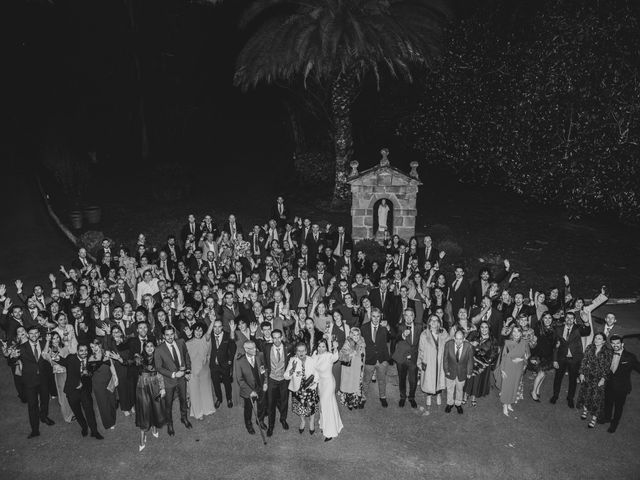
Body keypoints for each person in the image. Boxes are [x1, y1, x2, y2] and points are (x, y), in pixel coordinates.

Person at [54, 343, 104, 440]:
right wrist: (55, 357)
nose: (84, 353)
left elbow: (93, 371)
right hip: (72, 391)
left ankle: (94, 431)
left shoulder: (90, 360)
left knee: (90, 411)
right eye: (81, 350)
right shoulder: (71, 358)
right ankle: (84, 427)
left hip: (85, 390)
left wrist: (88, 373)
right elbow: (62, 361)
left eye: (85, 350)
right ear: (77, 351)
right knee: (77, 412)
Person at [154, 325, 192, 436]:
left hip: (182, 379)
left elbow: (186, 355)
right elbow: (159, 368)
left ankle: (184, 418)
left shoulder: (181, 342)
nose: (170, 337)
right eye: (167, 335)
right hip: (169, 381)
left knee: (183, 400)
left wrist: (188, 370)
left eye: (172, 334)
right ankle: (169, 424)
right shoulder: (159, 349)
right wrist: (174, 374)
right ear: (163, 336)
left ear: (174, 333)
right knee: (168, 404)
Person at [550, 311, 591, 408]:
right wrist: (555, 360)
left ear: (574, 320)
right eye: (567, 318)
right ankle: (555, 396)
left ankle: (570, 398)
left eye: (571, 318)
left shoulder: (578, 329)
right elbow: (555, 346)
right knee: (558, 378)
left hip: (575, 359)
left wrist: (586, 322)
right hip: (561, 358)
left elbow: (587, 332)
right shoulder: (559, 329)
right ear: (565, 319)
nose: (569, 320)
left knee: (572, 379)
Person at [19, 326, 55, 438]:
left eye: (36, 333)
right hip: (30, 381)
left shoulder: (45, 343)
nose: (34, 335)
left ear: (39, 333)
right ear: (27, 334)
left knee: (45, 400)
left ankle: (44, 416)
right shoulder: (22, 347)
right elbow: (11, 360)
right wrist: (10, 356)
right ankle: (35, 429)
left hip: (43, 379)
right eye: (31, 333)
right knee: (32, 405)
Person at [601, 335, 640, 433]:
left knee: (618, 407)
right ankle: (607, 417)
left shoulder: (630, 357)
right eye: (613, 343)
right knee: (608, 403)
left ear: (622, 344)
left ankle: (614, 424)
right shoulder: (609, 354)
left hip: (622, 388)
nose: (615, 345)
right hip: (609, 385)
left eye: (618, 343)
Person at [134, 341, 166, 451]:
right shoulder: (139, 357)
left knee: (155, 407)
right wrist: (120, 360)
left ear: (154, 347)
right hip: (143, 386)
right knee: (144, 409)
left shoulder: (158, 357)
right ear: (144, 348)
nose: (149, 348)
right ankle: (142, 437)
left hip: (155, 385)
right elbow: (130, 362)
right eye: (147, 346)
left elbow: (160, 373)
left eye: (151, 346)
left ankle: (154, 427)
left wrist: (162, 388)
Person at [576, 332, 612, 428]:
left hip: (599, 378)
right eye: (596, 338)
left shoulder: (607, 352)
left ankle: (594, 419)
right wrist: (581, 373)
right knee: (586, 394)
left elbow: (607, 367)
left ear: (604, 341)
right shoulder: (589, 347)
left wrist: (603, 379)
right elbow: (584, 361)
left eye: (599, 338)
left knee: (597, 398)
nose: (596, 340)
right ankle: (585, 410)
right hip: (588, 376)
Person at [495, 325, 530, 417]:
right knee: (507, 387)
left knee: (515, 385)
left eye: (518, 332)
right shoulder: (507, 343)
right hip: (508, 367)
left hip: (518, 368)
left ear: (521, 333)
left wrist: (522, 360)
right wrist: (502, 370)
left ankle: (510, 402)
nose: (516, 334)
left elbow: (527, 356)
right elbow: (503, 357)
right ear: (511, 333)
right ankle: (505, 405)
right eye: (514, 332)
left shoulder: (524, 342)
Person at [313, 338, 343, 442]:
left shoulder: (329, 356)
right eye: (319, 346)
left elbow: (336, 357)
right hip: (321, 383)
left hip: (329, 383)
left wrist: (335, 347)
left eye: (323, 346)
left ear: (326, 347)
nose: (321, 349)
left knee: (327, 406)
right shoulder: (315, 356)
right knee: (324, 405)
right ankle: (325, 424)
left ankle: (330, 432)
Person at [284, 342, 319, 433]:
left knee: (311, 406)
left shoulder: (312, 360)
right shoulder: (293, 360)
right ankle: (303, 421)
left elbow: (317, 374)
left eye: (303, 350)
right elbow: (286, 376)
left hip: (310, 388)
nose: (301, 353)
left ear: (306, 351)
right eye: (299, 351)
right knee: (300, 407)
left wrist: (313, 383)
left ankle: (311, 422)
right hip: (298, 389)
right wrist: (292, 369)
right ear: (296, 352)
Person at [463, 321, 499, 407]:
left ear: (489, 328)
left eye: (486, 327)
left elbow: (493, 354)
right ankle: (465, 395)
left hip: (483, 364)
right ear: (479, 328)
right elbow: (464, 343)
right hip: (471, 362)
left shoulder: (493, 340)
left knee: (477, 381)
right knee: (469, 379)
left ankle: (473, 397)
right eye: (482, 327)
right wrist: (471, 344)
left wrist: (484, 363)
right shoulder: (474, 335)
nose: (484, 329)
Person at [418, 315, 450, 413]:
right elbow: (421, 350)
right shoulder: (424, 334)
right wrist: (420, 363)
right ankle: (429, 396)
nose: (434, 322)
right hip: (429, 361)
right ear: (429, 322)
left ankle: (438, 394)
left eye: (436, 321)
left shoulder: (443, 333)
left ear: (439, 323)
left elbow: (450, 344)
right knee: (429, 380)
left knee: (439, 378)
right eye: (432, 320)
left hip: (440, 362)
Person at [262, 329, 291, 437]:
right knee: (270, 404)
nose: (277, 340)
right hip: (271, 379)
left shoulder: (288, 347)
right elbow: (264, 363)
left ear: (282, 337)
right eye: (274, 338)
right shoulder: (267, 347)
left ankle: (283, 419)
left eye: (279, 337)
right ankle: (271, 426)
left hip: (284, 380)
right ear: (272, 338)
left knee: (284, 401)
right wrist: (265, 380)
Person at [236, 340, 268, 435]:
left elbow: (264, 370)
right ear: (246, 349)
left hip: (260, 386)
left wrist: (265, 382)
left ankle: (260, 420)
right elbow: (240, 379)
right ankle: (248, 424)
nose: (255, 349)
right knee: (248, 408)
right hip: (248, 390)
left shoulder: (259, 356)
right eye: (252, 348)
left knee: (261, 405)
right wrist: (250, 391)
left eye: (255, 347)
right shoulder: (239, 362)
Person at [360, 308, 390, 408]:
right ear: (370, 316)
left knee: (382, 380)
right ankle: (363, 397)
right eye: (374, 316)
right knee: (366, 380)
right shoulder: (364, 327)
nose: (376, 319)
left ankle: (383, 397)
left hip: (382, 359)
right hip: (369, 358)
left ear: (381, 316)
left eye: (378, 316)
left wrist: (388, 327)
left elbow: (394, 336)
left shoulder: (384, 327)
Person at [186, 322, 216, 420]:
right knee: (194, 392)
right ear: (193, 331)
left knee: (205, 390)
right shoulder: (187, 343)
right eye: (196, 330)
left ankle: (207, 409)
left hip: (204, 370)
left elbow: (208, 333)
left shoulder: (205, 340)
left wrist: (212, 321)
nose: (199, 332)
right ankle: (198, 413)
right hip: (193, 370)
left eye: (201, 330)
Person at [393, 309, 422, 408]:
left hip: (413, 358)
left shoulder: (419, 326)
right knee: (402, 379)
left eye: (411, 315)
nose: (409, 318)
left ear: (414, 316)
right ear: (404, 316)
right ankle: (402, 397)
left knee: (413, 380)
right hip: (401, 357)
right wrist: (402, 335)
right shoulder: (400, 326)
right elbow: (394, 338)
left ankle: (411, 398)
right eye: (406, 315)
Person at [87, 340, 117, 430]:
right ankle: (108, 423)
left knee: (112, 401)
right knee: (103, 403)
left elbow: (111, 365)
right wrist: (104, 359)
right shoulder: (91, 358)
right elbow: (92, 369)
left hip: (109, 379)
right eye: (92, 347)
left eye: (95, 346)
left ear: (100, 345)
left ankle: (113, 418)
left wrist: (115, 377)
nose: (94, 348)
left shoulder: (106, 354)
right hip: (98, 383)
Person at [443, 329, 474, 414]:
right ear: (454, 338)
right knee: (450, 389)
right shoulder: (448, 344)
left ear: (464, 339)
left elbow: (470, 361)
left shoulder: (468, 346)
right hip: (450, 371)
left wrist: (469, 372)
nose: (458, 341)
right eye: (456, 338)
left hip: (462, 372)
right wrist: (446, 370)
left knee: (460, 389)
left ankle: (458, 404)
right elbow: (445, 358)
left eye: (460, 339)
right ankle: (449, 403)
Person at [209, 319, 236, 409]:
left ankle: (229, 398)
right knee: (216, 383)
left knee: (227, 383)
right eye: (215, 327)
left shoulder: (227, 336)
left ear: (222, 327)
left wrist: (230, 361)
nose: (217, 329)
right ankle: (219, 398)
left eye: (219, 326)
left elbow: (233, 348)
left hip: (225, 364)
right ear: (212, 327)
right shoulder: (210, 336)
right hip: (213, 364)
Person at [529, 312, 556, 402]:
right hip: (539, 355)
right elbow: (534, 344)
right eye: (545, 318)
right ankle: (533, 392)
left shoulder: (553, 329)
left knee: (543, 374)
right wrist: (533, 357)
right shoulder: (537, 329)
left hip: (548, 356)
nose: (547, 320)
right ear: (542, 319)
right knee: (541, 374)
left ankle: (537, 390)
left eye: (549, 318)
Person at [338, 327, 366, 409]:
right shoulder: (348, 343)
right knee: (349, 385)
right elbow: (341, 355)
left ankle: (356, 402)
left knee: (356, 385)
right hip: (349, 369)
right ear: (351, 335)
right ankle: (349, 402)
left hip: (358, 368)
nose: (356, 336)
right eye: (354, 335)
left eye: (358, 334)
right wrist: (350, 354)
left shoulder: (362, 342)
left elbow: (363, 355)